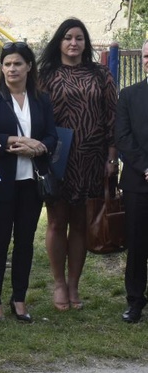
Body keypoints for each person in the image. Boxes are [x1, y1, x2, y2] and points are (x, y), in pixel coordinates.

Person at [0, 42, 58, 322]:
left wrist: (39, 148)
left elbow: (51, 136)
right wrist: (12, 140)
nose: (11, 69)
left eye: (17, 64)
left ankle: (19, 299)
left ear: (29, 67)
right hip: (1, 182)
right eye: (7, 64)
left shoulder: (41, 99)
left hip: (31, 183)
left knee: (25, 243)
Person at [38, 18, 118, 311]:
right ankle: (59, 284)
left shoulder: (100, 75)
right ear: (59, 41)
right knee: (58, 221)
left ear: (86, 43)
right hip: (58, 158)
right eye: (68, 37)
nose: (74, 43)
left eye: (79, 38)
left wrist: (112, 157)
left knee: (81, 223)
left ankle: (74, 285)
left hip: (92, 158)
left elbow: (113, 116)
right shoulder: (45, 75)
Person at [115, 39, 148, 323]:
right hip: (139, 182)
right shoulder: (128, 95)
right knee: (137, 245)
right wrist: (146, 168)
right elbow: (122, 137)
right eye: (147, 56)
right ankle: (135, 301)